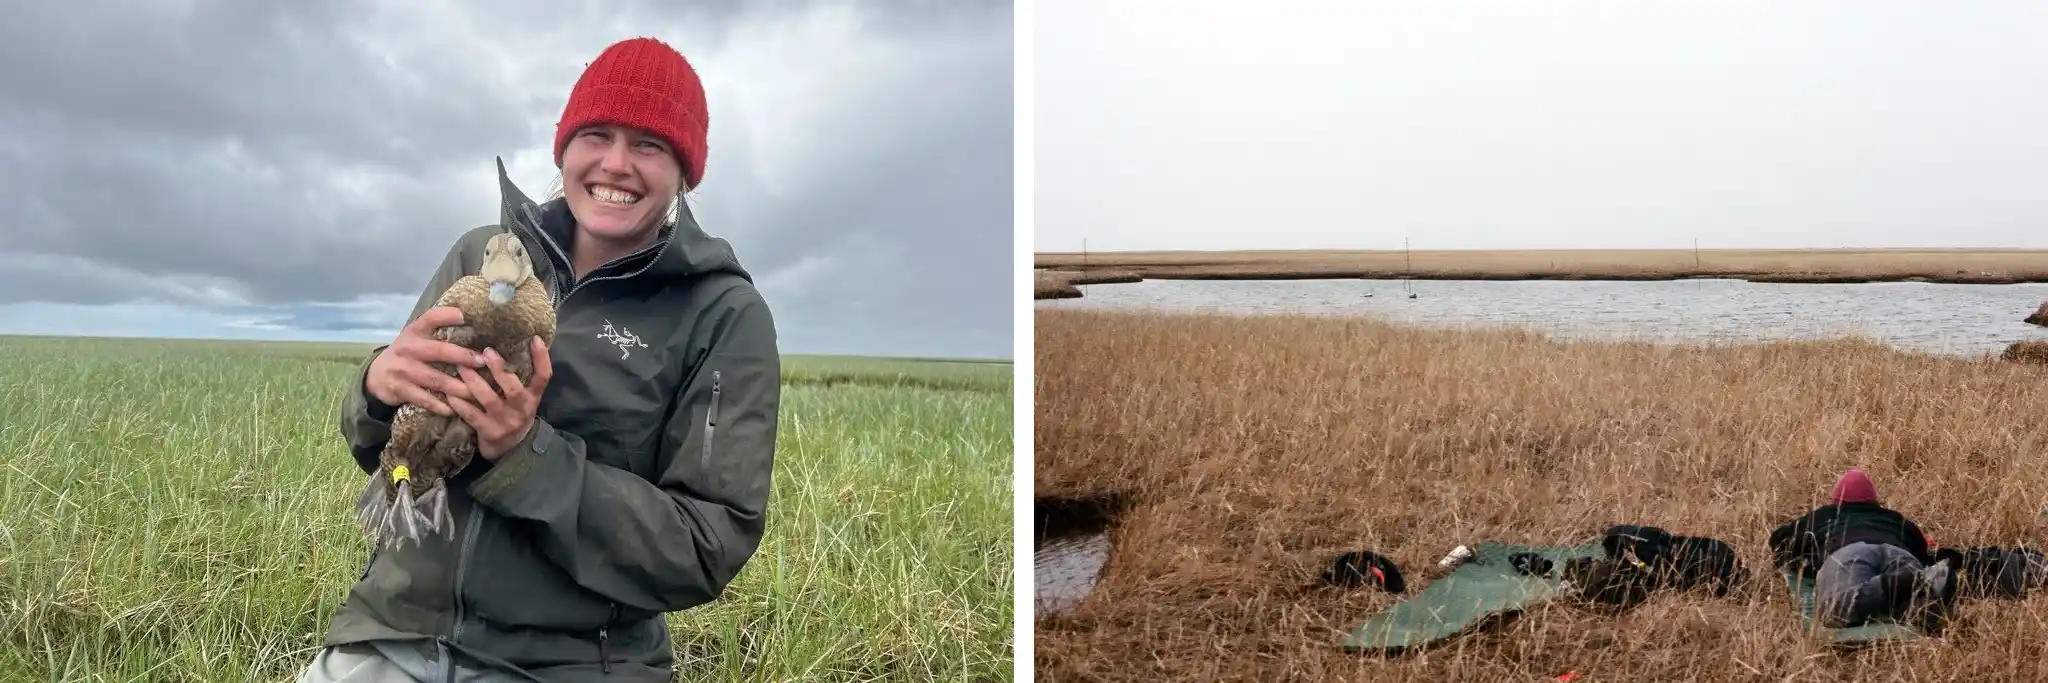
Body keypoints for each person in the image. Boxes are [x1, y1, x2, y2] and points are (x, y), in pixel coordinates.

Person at [296, 35, 781, 682]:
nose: (616, 164)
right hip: (394, 631)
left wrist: (527, 458)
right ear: (565, 147)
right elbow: (380, 445)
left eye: (649, 144)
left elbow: (706, 545)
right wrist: (377, 389)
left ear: (685, 171)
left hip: (572, 662)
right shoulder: (479, 253)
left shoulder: (721, 313)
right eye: (597, 135)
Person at [1767, 468, 1956, 632]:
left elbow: (1779, 544)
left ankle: (1908, 580)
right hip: (1898, 552)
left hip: (1849, 553)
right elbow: (1921, 551)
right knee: (1907, 600)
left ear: (1835, 500)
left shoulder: (1821, 517)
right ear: (1874, 501)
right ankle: (1918, 590)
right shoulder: (1895, 518)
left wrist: (1805, 564)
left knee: (1836, 609)